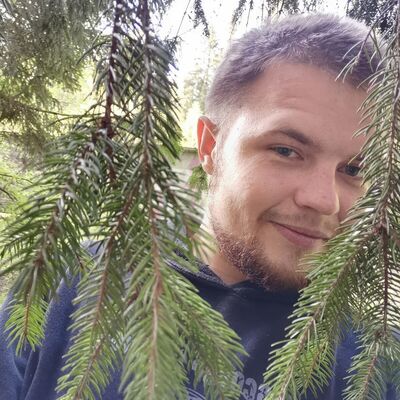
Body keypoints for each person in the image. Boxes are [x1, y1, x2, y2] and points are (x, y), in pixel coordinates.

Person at [0, 13, 397, 400]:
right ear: (210, 146)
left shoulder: (373, 364)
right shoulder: (70, 284)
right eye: (286, 151)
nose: (324, 200)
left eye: (354, 170)